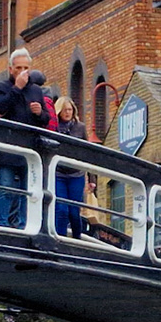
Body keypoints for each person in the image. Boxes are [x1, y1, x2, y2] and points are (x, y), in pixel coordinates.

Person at [0, 48, 45, 227]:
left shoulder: (36, 90)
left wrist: (40, 113)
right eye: (18, 67)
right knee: (6, 188)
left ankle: (23, 225)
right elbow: (0, 108)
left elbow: (45, 120)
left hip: (29, 148)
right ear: (11, 69)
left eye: (25, 68)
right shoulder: (2, 88)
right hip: (9, 146)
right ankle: (2, 224)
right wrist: (17, 88)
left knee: (28, 190)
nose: (22, 72)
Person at [52, 98, 90, 237]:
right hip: (58, 173)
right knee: (62, 210)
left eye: (69, 110)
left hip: (76, 174)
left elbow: (88, 151)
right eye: (64, 110)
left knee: (74, 212)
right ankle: (60, 240)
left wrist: (92, 179)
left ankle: (76, 239)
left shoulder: (80, 127)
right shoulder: (54, 127)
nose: (67, 113)